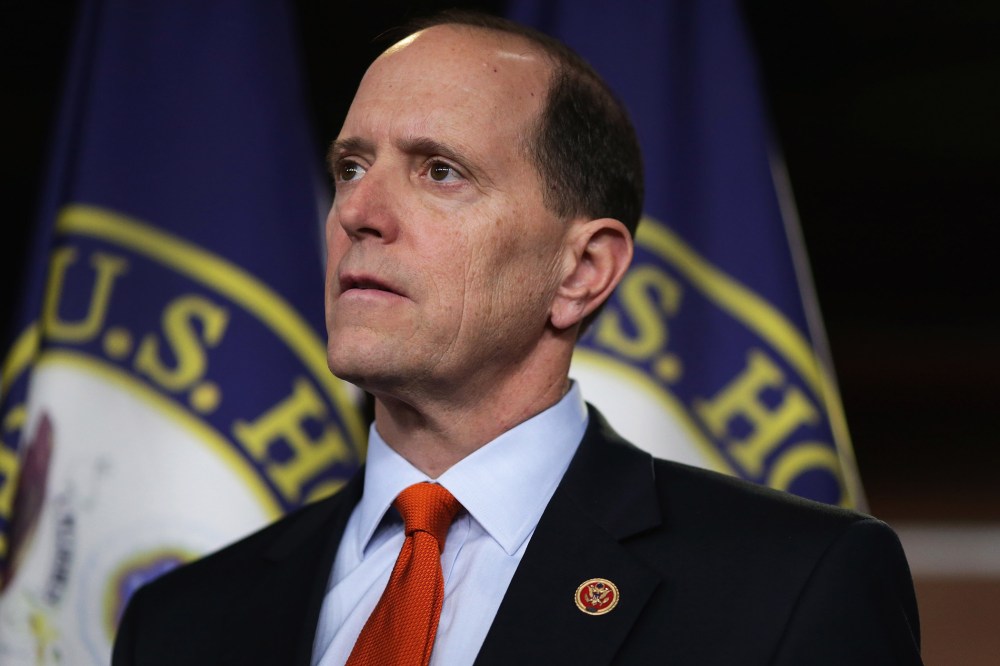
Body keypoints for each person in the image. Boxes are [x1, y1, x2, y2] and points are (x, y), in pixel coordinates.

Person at [112, 11, 922, 666]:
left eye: (440, 172)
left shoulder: (791, 586)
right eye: (352, 168)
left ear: (582, 270)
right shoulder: (181, 624)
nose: (359, 212)